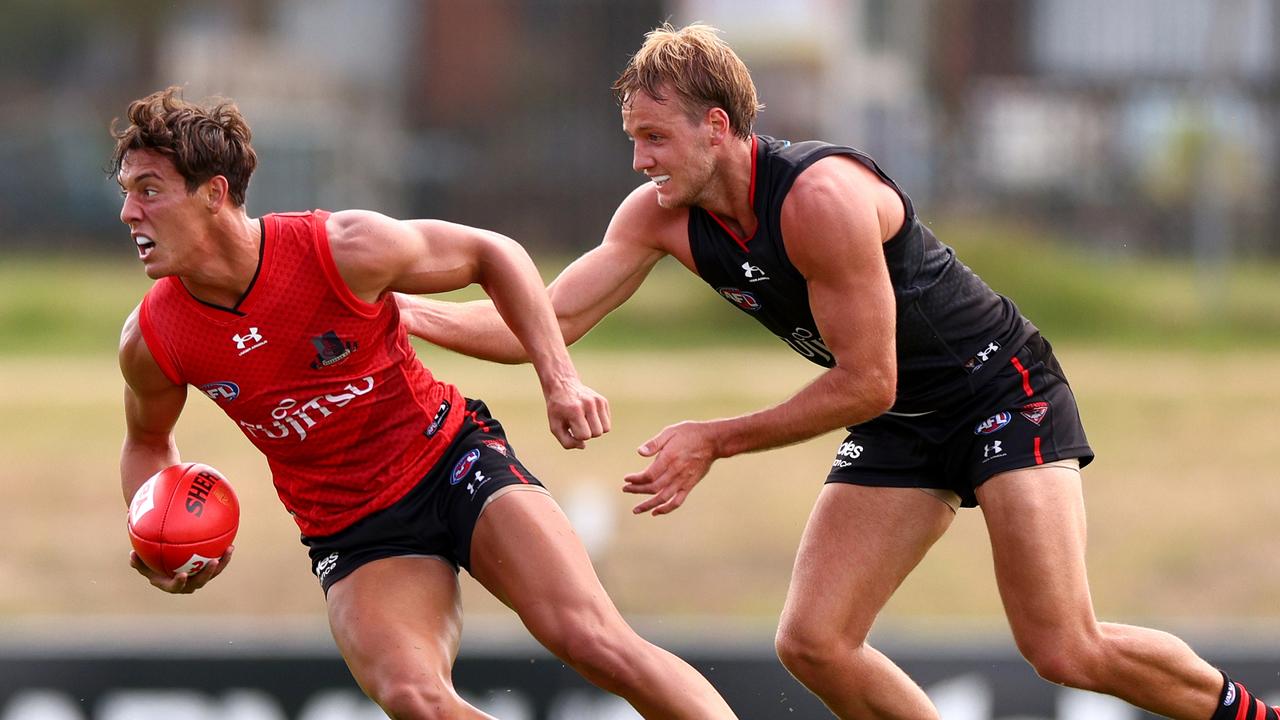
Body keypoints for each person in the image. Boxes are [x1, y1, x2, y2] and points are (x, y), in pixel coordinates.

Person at [395, 22, 1279, 720]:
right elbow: (540, 326)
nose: (641, 162)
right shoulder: (658, 214)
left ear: (718, 126)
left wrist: (715, 439)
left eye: (655, 138)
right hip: (904, 420)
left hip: (997, 390)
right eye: (634, 140)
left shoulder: (819, 200)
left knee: (1063, 648)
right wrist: (398, 312)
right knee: (813, 642)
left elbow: (868, 384)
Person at [110, 86, 737, 720]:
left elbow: (495, 255)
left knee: (593, 642)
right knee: (416, 700)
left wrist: (560, 379)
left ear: (214, 194)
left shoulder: (342, 248)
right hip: (353, 531)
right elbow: (147, 442)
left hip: (452, 461)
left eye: (150, 190)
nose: (129, 212)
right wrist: (156, 529)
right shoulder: (153, 338)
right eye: (127, 190)